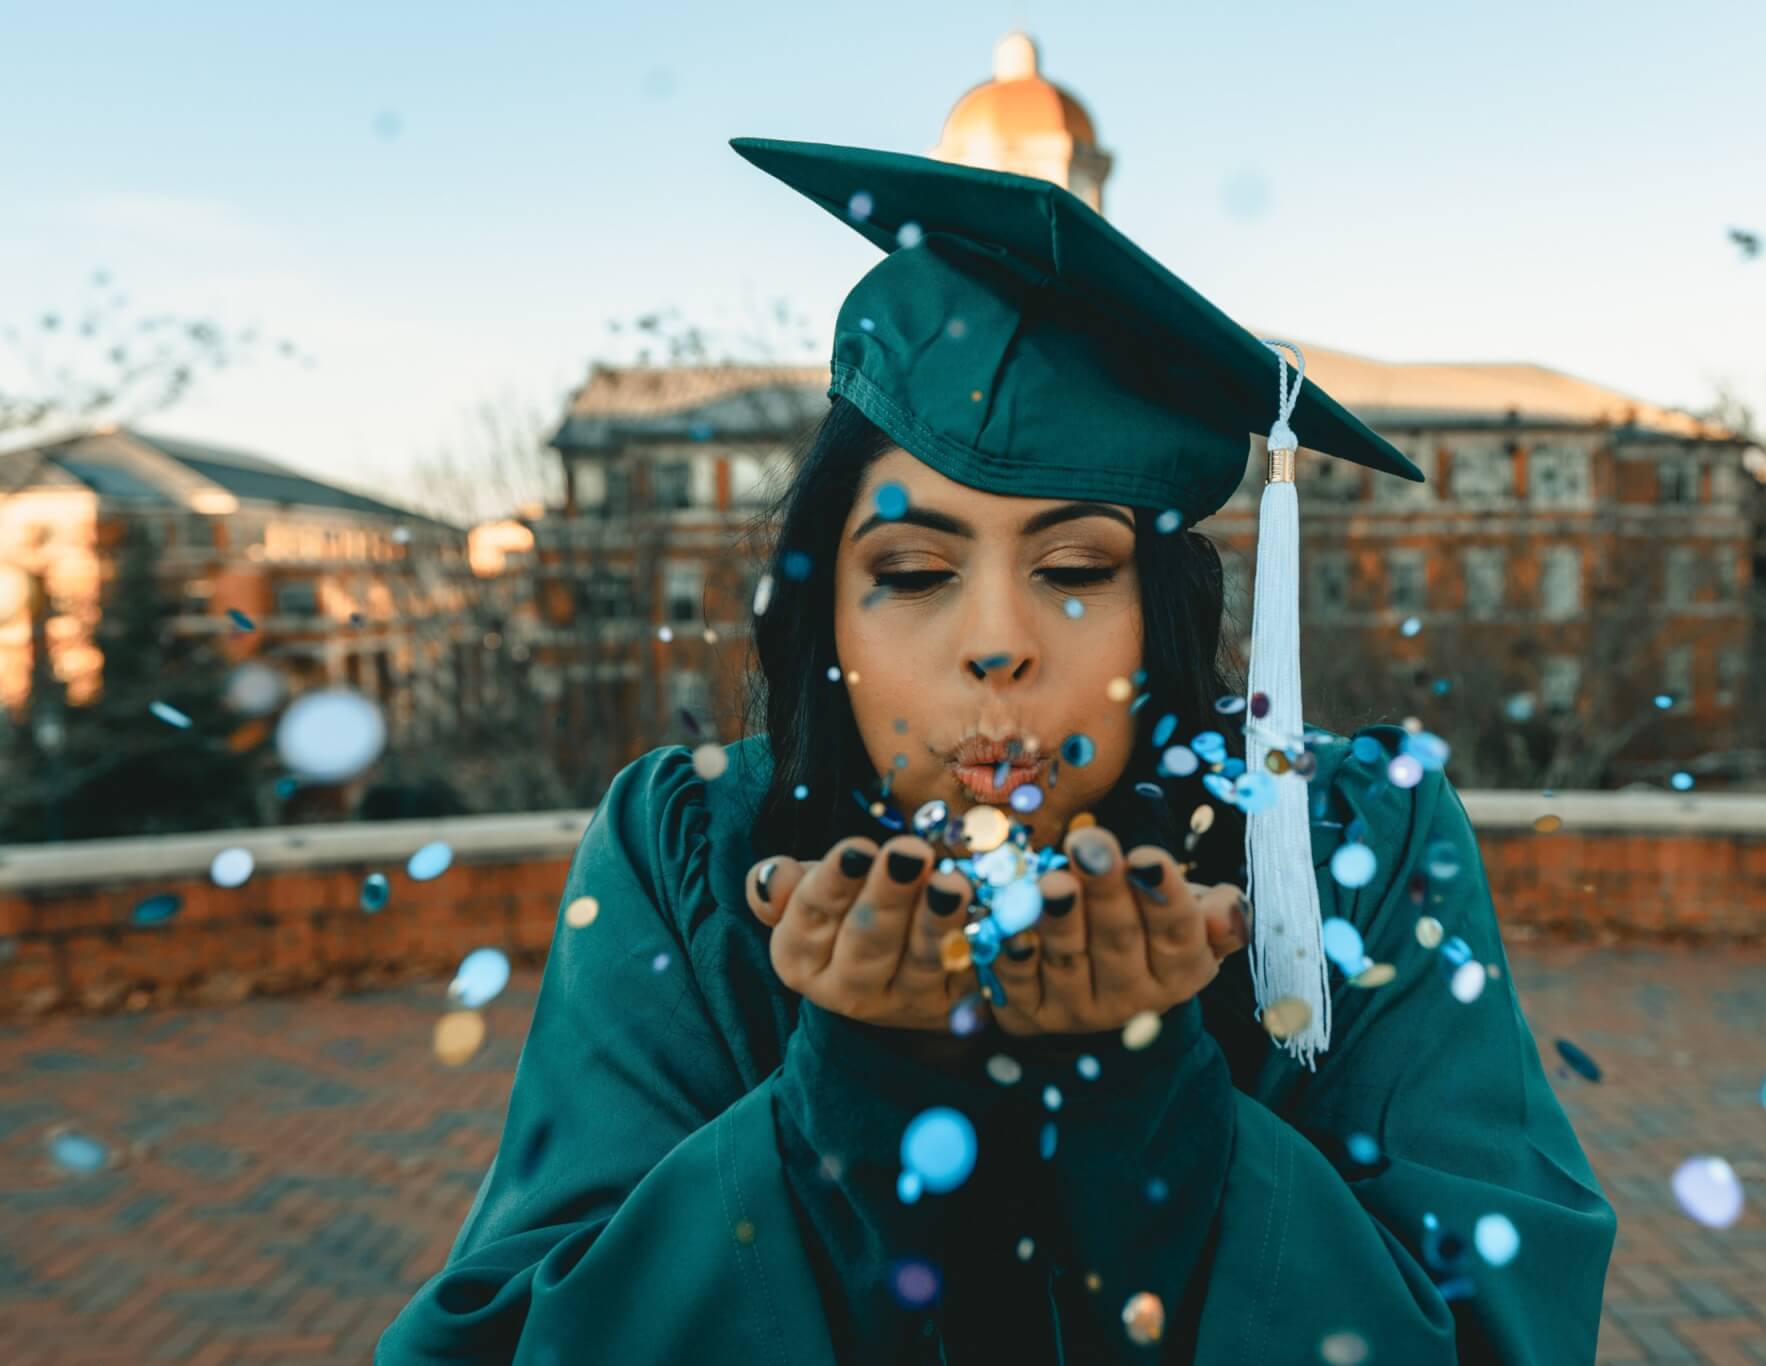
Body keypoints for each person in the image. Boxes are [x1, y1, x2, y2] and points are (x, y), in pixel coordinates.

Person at [378, 139, 1615, 1365]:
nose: (995, 647)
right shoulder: (691, 849)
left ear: (1163, 610)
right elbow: (512, 1335)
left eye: (1074, 569)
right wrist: (847, 1094)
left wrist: (1152, 1108)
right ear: (826, 614)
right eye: (913, 572)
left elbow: (1496, 1332)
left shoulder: (1345, 845)